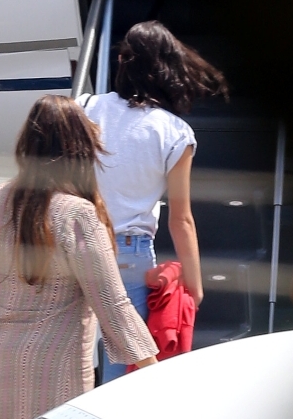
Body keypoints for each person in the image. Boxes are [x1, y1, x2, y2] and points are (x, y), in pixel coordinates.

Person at [0, 95, 158, 419]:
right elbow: (111, 303)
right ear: (80, 147)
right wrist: (152, 367)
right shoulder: (76, 213)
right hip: (59, 357)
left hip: (1, 351)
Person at [76, 20, 228, 382]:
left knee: (75, 357)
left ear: (122, 63)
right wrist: (194, 284)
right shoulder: (175, 132)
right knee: (125, 373)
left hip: (76, 243)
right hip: (129, 253)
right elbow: (181, 219)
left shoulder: (83, 107)